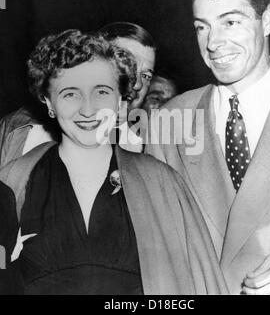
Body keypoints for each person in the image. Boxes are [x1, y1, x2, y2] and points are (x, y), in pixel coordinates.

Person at [0, 29, 228, 295]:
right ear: (48, 102)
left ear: (121, 100)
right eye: (70, 94)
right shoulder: (13, 181)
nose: (88, 110)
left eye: (102, 92)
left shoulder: (163, 183)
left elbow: (201, 286)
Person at [146, 0, 270, 295]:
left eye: (230, 22)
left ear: (267, 20)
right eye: (203, 27)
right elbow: (152, 248)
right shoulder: (168, 121)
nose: (214, 42)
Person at [0, 22, 156, 166]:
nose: (137, 84)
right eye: (126, 65)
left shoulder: (144, 146)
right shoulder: (23, 133)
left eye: (146, 75)